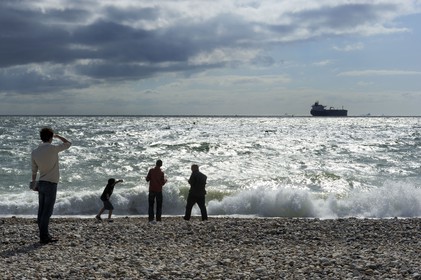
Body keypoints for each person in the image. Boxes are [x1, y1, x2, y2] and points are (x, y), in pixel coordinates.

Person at [31, 127, 71, 244]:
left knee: (41, 211)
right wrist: (58, 136)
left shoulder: (35, 152)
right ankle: (44, 237)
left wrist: (34, 184)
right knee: (47, 212)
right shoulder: (53, 149)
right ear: (50, 137)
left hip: (41, 183)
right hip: (51, 184)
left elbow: (34, 171)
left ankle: (44, 235)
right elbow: (68, 143)